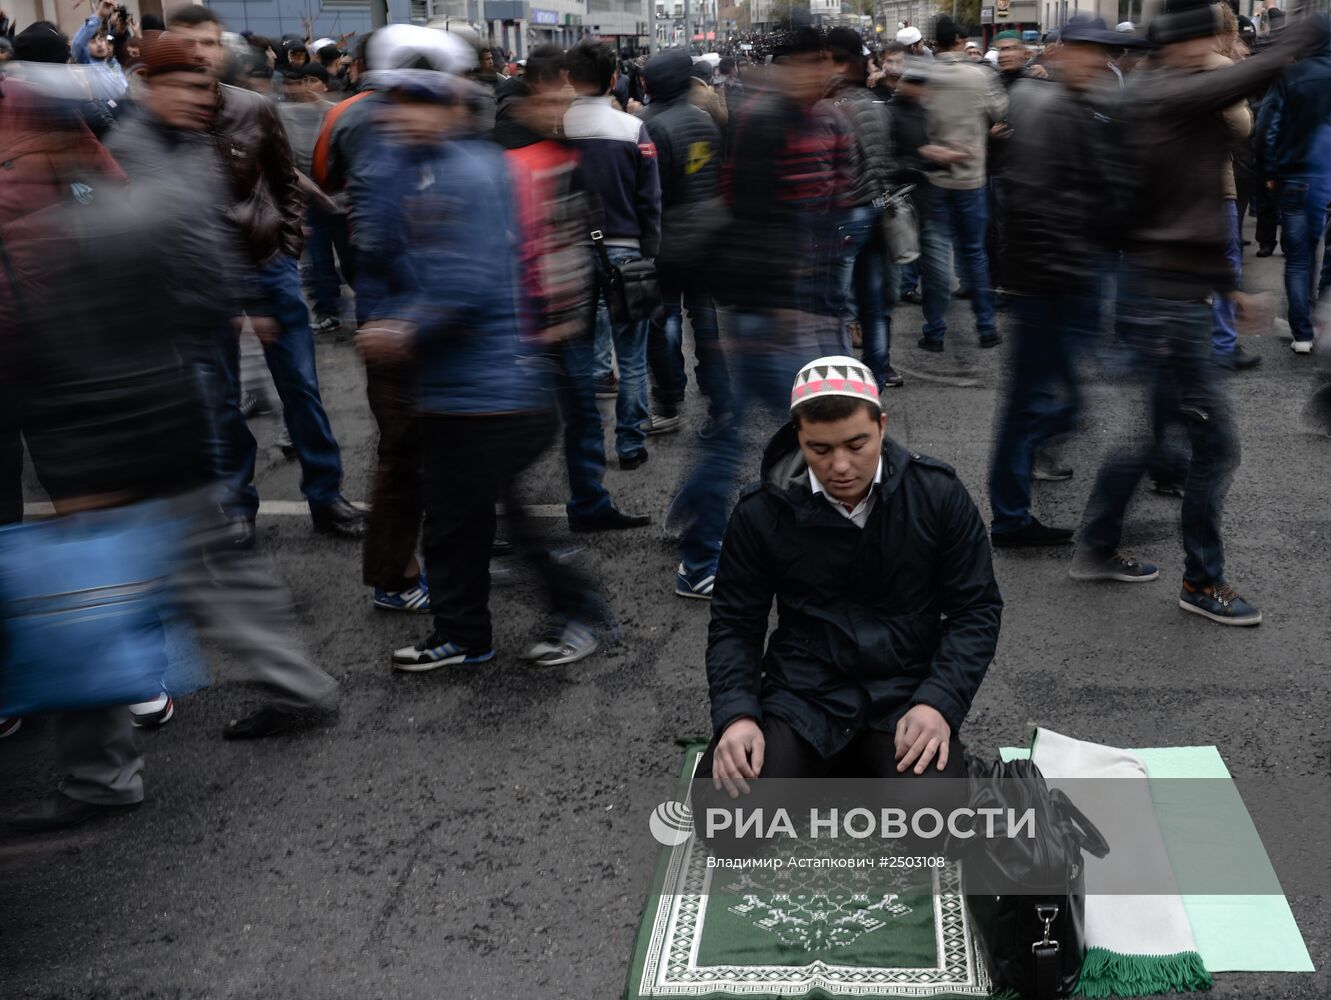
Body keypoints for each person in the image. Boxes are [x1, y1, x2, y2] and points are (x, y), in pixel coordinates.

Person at [354, 26, 610, 671]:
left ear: (449, 103)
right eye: (395, 99)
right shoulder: (417, 166)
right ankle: (467, 634)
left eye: (419, 100)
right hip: (456, 387)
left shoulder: (466, 173)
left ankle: (568, 613)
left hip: (495, 389)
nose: (403, 113)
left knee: (492, 523)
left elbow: (466, 280)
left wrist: (402, 327)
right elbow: (384, 249)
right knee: (459, 522)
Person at [1072, 1, 1329, 625]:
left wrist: (1225, 286)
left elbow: (1188, 208)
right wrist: (1301, 29)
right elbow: (1244, 78)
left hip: (1168, 292)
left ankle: (1098, 545)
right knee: (1216, 446)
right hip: (1167, 304)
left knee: (1157, 431)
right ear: (1186, 45)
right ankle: (1202, 581)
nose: (1219, 49)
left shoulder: (1173, 100)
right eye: (1210, 38)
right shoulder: (1169, 94)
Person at [698, 355, 1000, 794]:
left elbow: (976, 610)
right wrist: (738, 716)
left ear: (882, 425)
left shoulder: (938, 495)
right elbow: (734, 625)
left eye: (856, 445)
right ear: (797, 436)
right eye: (819, 449)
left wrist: (938, 703)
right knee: (723, 816)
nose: (840, 466)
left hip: (904, 694)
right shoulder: (760, 512)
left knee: (934, 820)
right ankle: (834, 767)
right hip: (802, 696)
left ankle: (864, 767)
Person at [166, 5, 366, 547]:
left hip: (268, 268)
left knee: (301, 387)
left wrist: (287, 248)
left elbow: (285, 182)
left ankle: (326, 495)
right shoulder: (161, 124)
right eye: (190, 42)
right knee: (220, 399)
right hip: (205, 282)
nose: (202, 52)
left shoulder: (254, 108)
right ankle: (236, 507)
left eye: (210, 41)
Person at [989, 17, 1138, 549]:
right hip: (1050, 281)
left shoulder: (1048, 101)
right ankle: (1009, 516)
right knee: (1039, 403)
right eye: (1092, 51)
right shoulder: (1049, 107)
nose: (1101, 63)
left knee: (1046, 400)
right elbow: (1032, 201)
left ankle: (1011, 508)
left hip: (1059, 277)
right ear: (1062, 51)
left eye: (1105, 53)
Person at [563, 41, 662, 470]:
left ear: (569, 78)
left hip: (570, 252)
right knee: (633, 354)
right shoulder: (633, 128)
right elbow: (650, 200)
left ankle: (586, 449)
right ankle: (630, 444)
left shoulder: (555, 128)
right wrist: (650, 251)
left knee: (580, 355)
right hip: (626, 250)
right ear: (611, 80)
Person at [639, 48, 732, 433]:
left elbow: (652, 192)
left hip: (666, 241)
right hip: (706, 235)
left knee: (662, 321)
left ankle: (669, 399)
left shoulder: (649, 125)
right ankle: (721, 403)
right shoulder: (704, 120)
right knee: (706, 321)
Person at [916, 16, 1007, 353]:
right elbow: (1000, 111)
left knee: (936, 258)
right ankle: (986, 327)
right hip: (971, 177)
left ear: (934, 42)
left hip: (934, 177)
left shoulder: (923, 75)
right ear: (958, 39)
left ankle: (935, 332)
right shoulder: (979, 74)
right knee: (974, 253)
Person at [818, 28, 902, 391]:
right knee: (873, 301)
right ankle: (878, 376)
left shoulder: (826, 109)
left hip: (846, 212)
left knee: (835, 304)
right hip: (878, 208)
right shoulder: (874, 105)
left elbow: (828, 171)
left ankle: (848, 385)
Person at [1258, 17, 1331, 354]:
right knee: (1320, 253)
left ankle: (1302, 332)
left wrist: (1270, 170)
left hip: (1295, 176)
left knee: (1299, 258)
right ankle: (1320, 317)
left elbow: (1269, 127)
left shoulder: (1291, 76)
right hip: (1322, 174)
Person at [71, 0, 129, 103]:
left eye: (101, 40)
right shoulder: (88, 64)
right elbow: (78, 44)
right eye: (93, 41)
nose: (99, 44)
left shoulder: (113, 61)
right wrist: (99, 14)